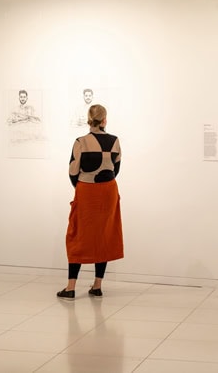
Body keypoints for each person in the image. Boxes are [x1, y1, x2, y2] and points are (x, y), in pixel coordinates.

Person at [58, 104, 123, 299]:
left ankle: (70, 287)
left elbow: (72, 171)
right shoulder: (115, 141)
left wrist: (82, 186)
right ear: (104, 120)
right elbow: (116, 169)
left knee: (77, 234)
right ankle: (97, 285)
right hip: (109, 191)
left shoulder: (81, 142)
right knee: (103, 234)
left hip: (87, 190)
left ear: (89, 120)